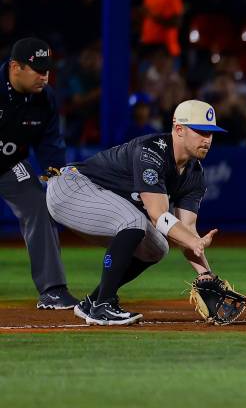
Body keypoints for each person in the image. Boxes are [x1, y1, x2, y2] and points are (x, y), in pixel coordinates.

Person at [45, 100, 226, 325]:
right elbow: (158, 215)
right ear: (179, 129)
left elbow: (187, 229)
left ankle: (93, 302)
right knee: (135, 221)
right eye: (200, 131)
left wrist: (205, 274)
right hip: (70, 187)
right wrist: (193, 241)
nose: (207, 139)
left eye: (211, 133)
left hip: (98, 196)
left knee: (156, 248)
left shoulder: (194, 174)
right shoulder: (151, 151)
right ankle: (103, 306)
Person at [0, 37, 78, 310]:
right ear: (15, 67)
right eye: (38, 70)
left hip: (8, 164)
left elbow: (50, 145)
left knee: (37, 205)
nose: (44, 76)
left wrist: (55, 177)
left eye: (47, 70)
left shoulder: (45, 99)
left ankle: (53, 290)